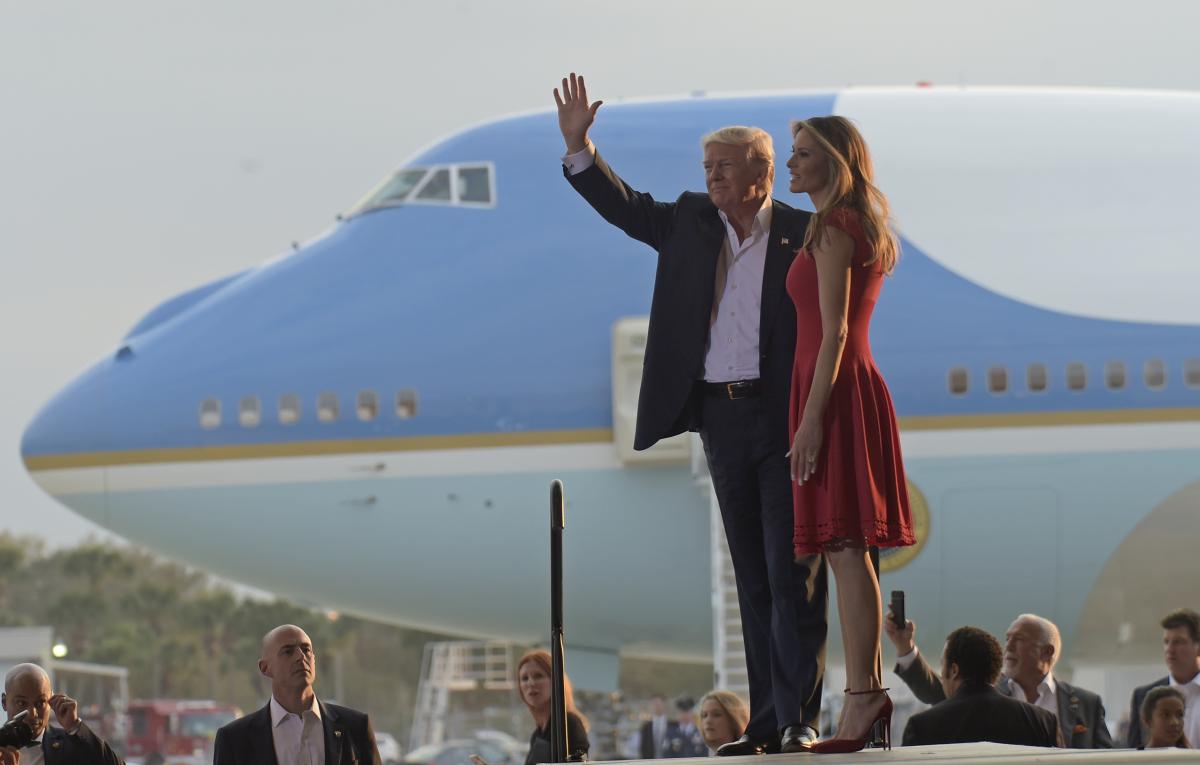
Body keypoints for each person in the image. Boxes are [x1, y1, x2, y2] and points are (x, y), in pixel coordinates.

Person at [554, 72, 825, 756]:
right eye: (707, 168)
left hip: (783, 417)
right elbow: (624, 208)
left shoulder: (803, 234)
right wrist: (581, 146)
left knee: (792, 573)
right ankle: (766, 722)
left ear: (763, 174)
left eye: (725, 169)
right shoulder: (688, 222)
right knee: (754, 579)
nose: (712, 179)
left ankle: (799, 717)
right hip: (719, 419)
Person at [783, 116, 914, 753]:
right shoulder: (852, 223)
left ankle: (863, 699)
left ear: (836, 161)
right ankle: (864, 697)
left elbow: (832, 330)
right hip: (846, 385)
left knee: (842, 547)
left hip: (832, 392)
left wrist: (809, 418)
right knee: (849, 548)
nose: (790, 165)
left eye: (803, 154)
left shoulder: (836, 227)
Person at [885, 611, 1112, 748]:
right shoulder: (985, 689)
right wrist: (905, 649)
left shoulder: (1087, 704)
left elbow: (1107, 758)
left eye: (1018, 639)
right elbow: (943, 694)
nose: (1008, 647)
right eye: (1007, 638)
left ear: (1047, 652)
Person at [213, 624, 382, 765]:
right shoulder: (234, 739)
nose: (301, 657)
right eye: (288, 651)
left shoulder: (356, 726)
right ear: (265, 668)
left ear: (314, 659)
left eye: (306, 649)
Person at [901, 627, 1060, 747]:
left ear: (954, 670)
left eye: (943, 666)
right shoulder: (1042, 721)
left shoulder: (922, 727)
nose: (941, 676)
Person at [0, 663, 123, 765]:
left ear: (52, 700)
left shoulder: (73, 745)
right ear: (4, 703)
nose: (32, 714)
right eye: (21, 703)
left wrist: (75, 726)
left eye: (40, 703)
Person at [1127, 608, 1200, 748]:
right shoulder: (1143, 696)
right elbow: (1133, 752)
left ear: (1198, 647)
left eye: (1179, 642)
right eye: (1166, 642)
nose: (1170, 649)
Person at [516, 650, 589, 764]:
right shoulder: (537, 735)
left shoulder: (568, 723)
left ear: (556, 680)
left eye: (538, 676)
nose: (530, 683)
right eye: (525, 678)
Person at [638, 694, 669, 759]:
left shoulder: (672, 725)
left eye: (659, 704)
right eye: (654, 704)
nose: (657, 706)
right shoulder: (646, 726)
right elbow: (643, 747)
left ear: (664, 704)